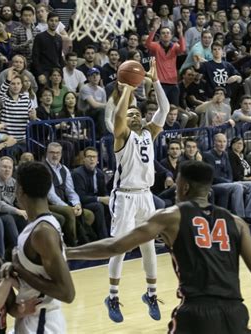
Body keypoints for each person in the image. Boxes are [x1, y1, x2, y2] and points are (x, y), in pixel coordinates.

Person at [66, 160, 251, 334]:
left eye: (176, 185)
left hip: (196, 313)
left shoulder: (170, 217)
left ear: (183, 186)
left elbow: (115, 246)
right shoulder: (237, 222)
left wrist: (68, 252)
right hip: (235, 312)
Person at [103, 59, 169, 323]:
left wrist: (155, 81)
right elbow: (118, 117)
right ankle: (113, 296)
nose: (136, 115)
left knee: (149, 246)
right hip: (124, 196)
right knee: (120, 247)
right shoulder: (121, 137)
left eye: (138, 113)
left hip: (144, 195)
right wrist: (128, 88)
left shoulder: (148, 134)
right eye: (132, 114)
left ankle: (151, 294)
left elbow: (164, 108)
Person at [0, 161, 75, 333]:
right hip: (31, 318)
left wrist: (19, 269)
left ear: (20, 191)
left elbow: (67, 293)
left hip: (42, 322)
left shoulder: (42, 231)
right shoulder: (39, 225)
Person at [72, 147, 110, 240]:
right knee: (98, 206)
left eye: (94, 157)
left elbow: (103, 192)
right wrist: (100, 199)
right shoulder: (77, 173)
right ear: (84, 159)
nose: (92, 159)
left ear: (97, 160)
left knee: (112, 205)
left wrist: (108, 198)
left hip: (95, 201)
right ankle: (104, 239)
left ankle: (114, 235)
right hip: (82, 203)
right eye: (89, 156)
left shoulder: (100, 173)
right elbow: (81, 197)